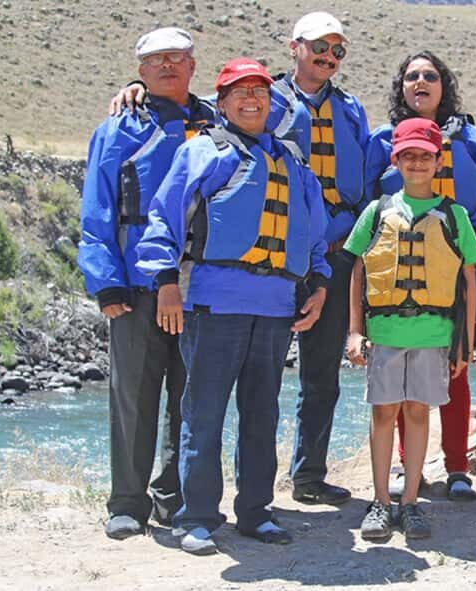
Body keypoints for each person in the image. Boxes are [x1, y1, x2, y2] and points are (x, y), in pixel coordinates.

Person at [135, 58, 332, 555]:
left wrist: (320, 285)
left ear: (271, 103)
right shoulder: (202, 153)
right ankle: (196, 517)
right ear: (221, 104)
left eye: (260, 93)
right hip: (213, 304)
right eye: (239, 92)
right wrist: (165, 282)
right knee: (202, 414)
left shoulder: (292, 164)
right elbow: (164, 218)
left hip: (275, 307)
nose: (252, 100)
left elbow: (314, 233)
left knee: (262, 414)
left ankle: (255, 512)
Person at [78, 27, 215, 540]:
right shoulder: (117, 128)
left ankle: (174, 498)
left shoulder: (215, 124)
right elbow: (97, 209)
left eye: (177, 57)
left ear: (192, 66)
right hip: (135, 289)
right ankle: (127, 504)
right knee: (133, 399)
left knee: (190, 397)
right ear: (140, 71)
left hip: (200, 288)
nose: (167, 67)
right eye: (156, 60)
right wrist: (106, 283)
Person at [364, 50, 476, 501]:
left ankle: (458, 466)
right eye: (411, 76)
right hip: (399, 275)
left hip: (456, 267)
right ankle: (410, 468)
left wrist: (470, 238)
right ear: (401, 87)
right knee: (404, 379)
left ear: (444, 84)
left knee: (455, 367)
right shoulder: (381, 141)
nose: (420, 82)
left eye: (430, 75)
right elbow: (368, 199)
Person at [345, 118, 476, 540]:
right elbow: (358, 271)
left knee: (418, 412)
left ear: (439, 162)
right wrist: (355, 331)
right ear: (396, 162)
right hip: (385, 333)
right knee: (383, 412)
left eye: (425, 156)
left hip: (432, 335)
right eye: (409, 155)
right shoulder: (377, 212)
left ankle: (409, 503)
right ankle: (379, 502)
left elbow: (469, 283)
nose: (417, 163)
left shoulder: (454, 215)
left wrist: (465, 344)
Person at [280, 12, 370, 505]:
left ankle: (308, 476)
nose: (328, 57)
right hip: (275, 259)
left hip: (335, 257)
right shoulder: (265, 99)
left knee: (322, 376)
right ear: (294, 46)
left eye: (338, 50)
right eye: (319, 46)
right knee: (256, 372)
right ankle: (249, 486)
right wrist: (133, 87)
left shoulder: (352, 110)